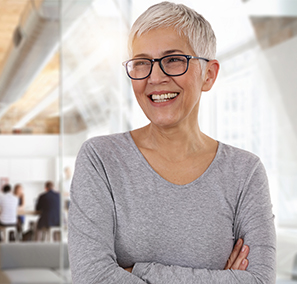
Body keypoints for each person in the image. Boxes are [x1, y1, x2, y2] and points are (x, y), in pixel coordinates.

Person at [68, 2, 276, 283]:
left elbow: (261, 280)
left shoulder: (245, 172)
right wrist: (220, 279)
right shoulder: (101, 159)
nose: (155, 78)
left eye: (174, 60)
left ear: (209, 74)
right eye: (142, 63)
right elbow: (92, 277)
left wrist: (140, 271)